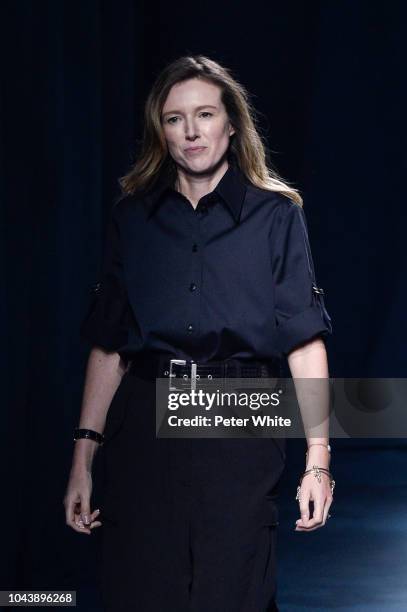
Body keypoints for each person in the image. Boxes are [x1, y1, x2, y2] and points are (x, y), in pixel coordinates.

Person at [63, 55, 335, 611]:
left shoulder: (275, 216)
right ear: (158, 131)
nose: (190, 131)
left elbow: (304, 341)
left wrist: (318, 460)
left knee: (232, 591)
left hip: (240, 412)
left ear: (231, 124)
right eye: (173, 118)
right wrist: (82, 456)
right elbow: (111, 343)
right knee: (140, 590)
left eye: (205, 114)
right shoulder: (133, 219)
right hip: (142, 422)